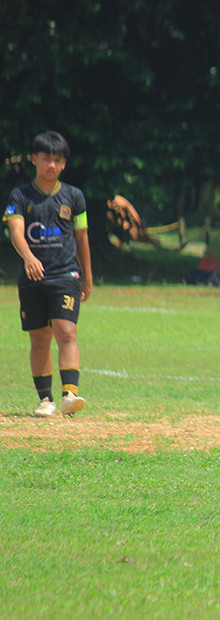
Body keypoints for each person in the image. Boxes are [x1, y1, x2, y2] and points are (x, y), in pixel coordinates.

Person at [3, 131, 92, 417]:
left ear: (64, 163)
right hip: (32, 279)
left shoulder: (74, 197)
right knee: (39, 338)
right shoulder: (20, 196)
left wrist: (87, 276)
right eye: (45, 159)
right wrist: (28, 257)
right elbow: (16, 231)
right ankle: (45, 400)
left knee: (66, 331)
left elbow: (82, 238)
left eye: (56, 160)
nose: (51, 165)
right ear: (34, 160)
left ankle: (70, 394)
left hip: (66, 274)